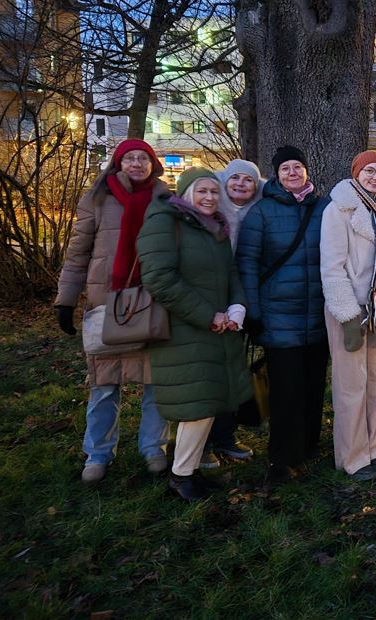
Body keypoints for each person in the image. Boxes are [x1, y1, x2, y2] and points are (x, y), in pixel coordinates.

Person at [55, 139, 171, 483]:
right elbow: (78, 252)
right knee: (104, 384)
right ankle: (98, 453)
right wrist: (66, 298)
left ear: (153, 164)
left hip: (151, 301)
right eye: (129, 158)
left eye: (143, 158)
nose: (137, 163)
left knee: (156, 383)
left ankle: (154, 448)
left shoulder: (164, 199)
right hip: (106, 302)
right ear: (118, 164)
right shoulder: (97, 198)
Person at [136, 167, 252, 501]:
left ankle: (188, 472)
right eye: (201, 191)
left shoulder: (213, 226)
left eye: (214, 192)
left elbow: (230, 271)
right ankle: (180, 478)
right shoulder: (164, 222)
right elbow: (159, 278)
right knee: (196, 405)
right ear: (185, 193)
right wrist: (208, 315)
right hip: (183, 329)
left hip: (217, 329)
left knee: (208, 401)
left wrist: (237, 306)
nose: (209, 197)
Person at [236, 146, 328, 483]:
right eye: (286, 168)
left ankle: (308, 446)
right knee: (286, 391)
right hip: (278, 318)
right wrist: (254, 312)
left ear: (306, 171)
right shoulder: (261, 212)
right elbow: (246, 262)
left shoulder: (323, 209)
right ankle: (283, 458)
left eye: (298, 166)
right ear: (276, 174)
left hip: (318, 316)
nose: (292, 172)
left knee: (314, 386)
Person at [320, 151, 376, 482]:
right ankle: (352, 457)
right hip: (351, 309)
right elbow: (332, 267)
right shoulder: (339, 209)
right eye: (369, 171)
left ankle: (373, 448)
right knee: (351, 385)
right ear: (356, 172)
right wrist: (347, 314)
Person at [201, 159, 264, 469]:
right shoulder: (210, 208)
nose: (241, 184)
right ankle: (199, 443)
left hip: (240, 299)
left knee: (234, 372)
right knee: (206, 375)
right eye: (235, 178)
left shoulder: (257, 210)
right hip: (207, 300)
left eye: (248, 180)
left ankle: (225, 436)